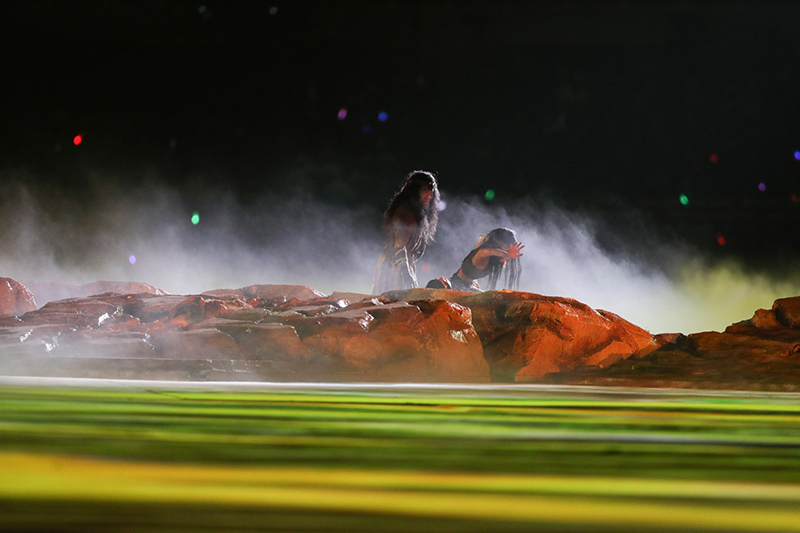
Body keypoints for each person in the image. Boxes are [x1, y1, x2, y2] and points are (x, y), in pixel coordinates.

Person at [372, 170, 440, 294]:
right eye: (424, 190)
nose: (429, 195)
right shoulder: (406, 212)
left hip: (402, 265)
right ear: (414, 190)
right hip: (394, 267)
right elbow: (399, 246)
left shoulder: (416, 212)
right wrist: (406, 273)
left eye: (431, 190)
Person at [426, 227, 524, 292]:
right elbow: (490, 251)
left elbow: (481, 240)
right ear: (500, 244)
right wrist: (507, 254)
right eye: (508, 246)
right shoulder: (484, 252)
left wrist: (474, 281)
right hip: (457, 285)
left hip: (470, 286)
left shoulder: (498, 258)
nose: (510, 250)